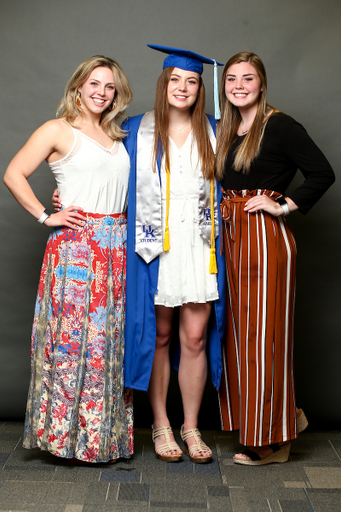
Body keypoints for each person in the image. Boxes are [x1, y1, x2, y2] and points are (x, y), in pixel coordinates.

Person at [3, 55, 134, 463]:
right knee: (72, 342)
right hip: (76, 249)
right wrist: (47, 214)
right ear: (78, 87)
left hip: (116, 247)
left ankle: (102, 438)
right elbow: (13, 173)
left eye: (109, 86)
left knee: (108, 343)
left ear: (117, 94)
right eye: (94, 83)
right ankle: (63, 439)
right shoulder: (57, 129)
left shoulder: (119, 135)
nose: (101, 92)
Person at [216, 51, 335, 465]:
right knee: (238, 338)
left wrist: (282, 205)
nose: (239, 86)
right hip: (231, 237)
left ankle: (272, 444)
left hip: (264, 240)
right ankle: (288, 417)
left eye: (247, 78)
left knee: (264, 340)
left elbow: (322, 173)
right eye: (232, 79)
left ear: (262, 84)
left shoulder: (280, 125)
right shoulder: (227, 127)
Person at [123, 45, 226, 463]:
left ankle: (191, 426)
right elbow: (102, 172)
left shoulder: (218, 130)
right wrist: (65, 194)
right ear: (163, 84)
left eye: (192, 81)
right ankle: (161, 425)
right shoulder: (134, 129)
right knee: (161, 335)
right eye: (175, 80)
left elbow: (252, 169)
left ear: (200, 88)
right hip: (155, 248)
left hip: (200, 246)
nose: (182, 87)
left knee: (196, 337)